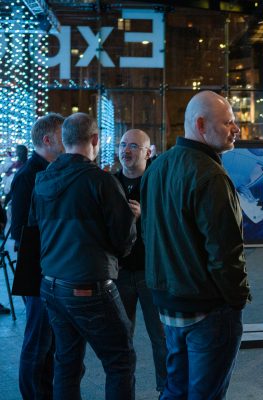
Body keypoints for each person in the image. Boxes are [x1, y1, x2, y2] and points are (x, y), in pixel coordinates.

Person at [141, 91, 251, 399]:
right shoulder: (211, 176)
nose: (236, 129)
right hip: (207, 307)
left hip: (168, 304)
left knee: (175, 389)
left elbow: (149, 234)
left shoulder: (157, 168)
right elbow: (225, 252)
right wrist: (237, 298)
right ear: (201, 125)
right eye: (228, 122)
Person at [30, 112, 137, 400]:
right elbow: (123, 237)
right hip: (89, 286)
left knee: (66, 362)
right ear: (95, 139)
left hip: (52, 285)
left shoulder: (42, 179)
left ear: (64, 141)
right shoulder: (101, 181)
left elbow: (35, 230)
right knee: (120, 360)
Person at [9, 113, 65, 399]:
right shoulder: (29, 176)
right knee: (38, 341)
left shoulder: (47, 171)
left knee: (47, 342)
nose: (68, 142)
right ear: (47, 140)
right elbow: (22, 230)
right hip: (37, 271)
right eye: (63, 136)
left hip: (46, 269)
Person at [114, 129, 167, 395]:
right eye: (123, 144)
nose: (126, 150)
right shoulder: (110, 184)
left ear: (148, 152)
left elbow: (170, 223)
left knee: (161, 338)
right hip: (119, 273)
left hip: (151, 272)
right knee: (121, 340)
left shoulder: (158, 183)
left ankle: (166, 391)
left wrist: (143, 215)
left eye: (134, 146)